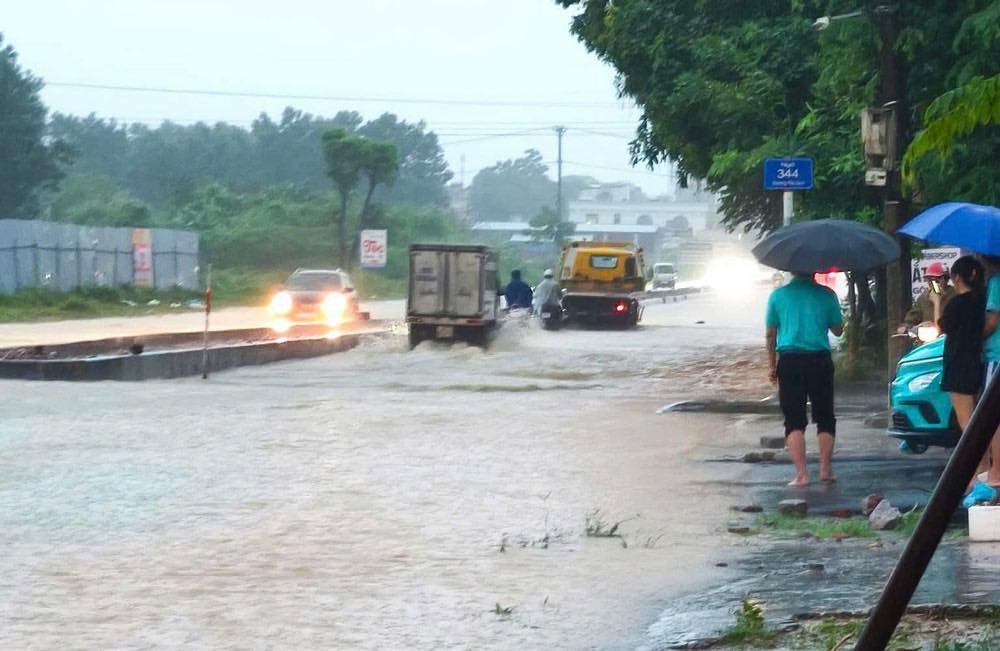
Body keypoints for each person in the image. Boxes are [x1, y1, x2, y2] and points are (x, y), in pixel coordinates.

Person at [766, 272, 844, 486]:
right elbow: (838, 330)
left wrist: (772, 366)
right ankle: (826, 470)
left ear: (791, 270)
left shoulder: (778, 296)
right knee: (825, 416)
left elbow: (771, 334)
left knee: (793, 419)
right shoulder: (827, 294)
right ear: (814, 270)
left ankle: (802, 475)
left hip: (790, 361)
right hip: (820, 360)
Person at [937, 256, 986, 440]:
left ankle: (977, 458)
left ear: (956, 277)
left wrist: (937, 302)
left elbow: (941, 327)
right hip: (977, 363)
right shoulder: (982, 301)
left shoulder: (956, 304)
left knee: (967, 424)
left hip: (958, 366)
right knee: (979, 420)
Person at [900, 261, 954, 331]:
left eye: (936, 280)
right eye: (929, 280)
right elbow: (912, 317)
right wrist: (906, 326)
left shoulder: (954, 295)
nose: (933, 284)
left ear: (945, 279)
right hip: (929, 335)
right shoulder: (924, 297)